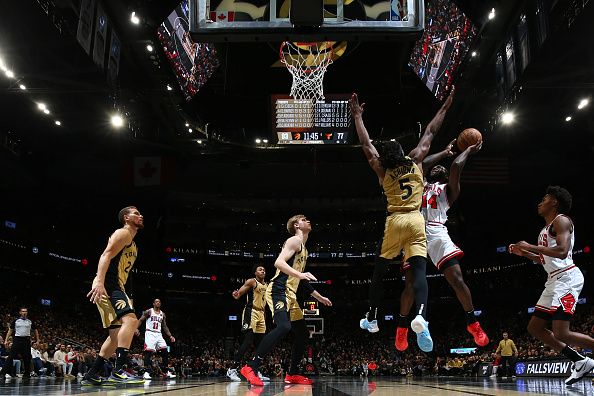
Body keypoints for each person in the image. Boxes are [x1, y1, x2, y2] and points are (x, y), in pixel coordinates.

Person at [351, 88, 455, 352]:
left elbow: (366, 145)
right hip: (416, 221)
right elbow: (430, 131)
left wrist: (358, 117)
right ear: (401, 151)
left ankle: (373, 318)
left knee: (379, 273)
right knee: (420, 272)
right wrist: (445, 106)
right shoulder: (416, 160)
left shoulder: (381, 168)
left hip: (395, 221)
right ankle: (420, 315)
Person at [395, 140, 489, 351]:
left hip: (437, 232)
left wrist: (467, 151)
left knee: (456, 278)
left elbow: (456, 166)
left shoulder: (448, 190)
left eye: (442, 169)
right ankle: (402, 329)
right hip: (415, 232)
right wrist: (445, 152)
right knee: (410, 285)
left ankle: (473, 323)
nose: (439, 168)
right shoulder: (420, 183)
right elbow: (420, 161)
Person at [509, 186, 594, 385]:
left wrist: (530, 246)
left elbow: (563, 251)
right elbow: (544, 258)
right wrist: (526, 254)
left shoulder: (562, 220)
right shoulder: (544, 230)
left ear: (554, 202)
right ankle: (580, 361)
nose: (540, 202)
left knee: (561, 332)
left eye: (544, 198)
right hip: (553, 279)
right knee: (535, 328)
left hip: (567, 277)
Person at [240, 215, 332, 386]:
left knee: (303, 334)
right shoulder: (294, 241)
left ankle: (292, 373)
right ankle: (251, 366)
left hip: (291, 295)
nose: (308, 220)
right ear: (297, 225)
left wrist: (319, 297)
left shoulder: (304, 249)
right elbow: (279, 262)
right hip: (278, 290)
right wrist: (300, 274)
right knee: (283, 326)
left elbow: (301, 280)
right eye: (304, 219)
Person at [82, 206, 145, 386]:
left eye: (140, 214)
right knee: (131, 322)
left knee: (116, 335)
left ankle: (91, 374)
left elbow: (126, 275)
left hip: (116, 286)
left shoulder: (133, 244)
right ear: (126, 218)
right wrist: (100, 282)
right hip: (108, 284)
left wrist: (129, 302)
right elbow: (106, 255)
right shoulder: (123, 233)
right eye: (136, 213)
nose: (140, 216)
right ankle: (118, 371)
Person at [227, 265, 269, 382]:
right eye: (260, 269)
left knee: (261, 345)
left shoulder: (267, 285)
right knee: (248, 341)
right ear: (255, 273)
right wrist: (237, 293)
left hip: (262, 314)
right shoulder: (252, 281)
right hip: (251, 311)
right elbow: (239, 292)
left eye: (264, 270)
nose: (263, 271)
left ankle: (255, 370)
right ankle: (232, 369)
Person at [136, 298, 176, 379]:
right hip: (150, 333)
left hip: (159, 334)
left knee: (165, 352)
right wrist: (136, 328)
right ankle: (146, 372)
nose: (158, 303)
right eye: (156, 302)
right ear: (153, 303)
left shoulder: (163, 314)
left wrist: (170, 336)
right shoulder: (149, 311)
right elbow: (140, 320)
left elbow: (164, 326)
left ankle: (166, 371)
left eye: (159, 302)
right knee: (148, 353)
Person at [0, 307, 40, 379]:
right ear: (20, 312)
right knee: (11, 356)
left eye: (25, 311)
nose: (24, 312)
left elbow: (35, 330)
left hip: (26, 340)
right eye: (23, 311)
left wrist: (38, 340)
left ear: (27, 313)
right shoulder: (16, 321)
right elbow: (10, 330)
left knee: (27, 358)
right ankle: (3, 373)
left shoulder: (30, 321)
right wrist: (6, 340)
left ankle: (27, 374)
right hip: (17, 339)